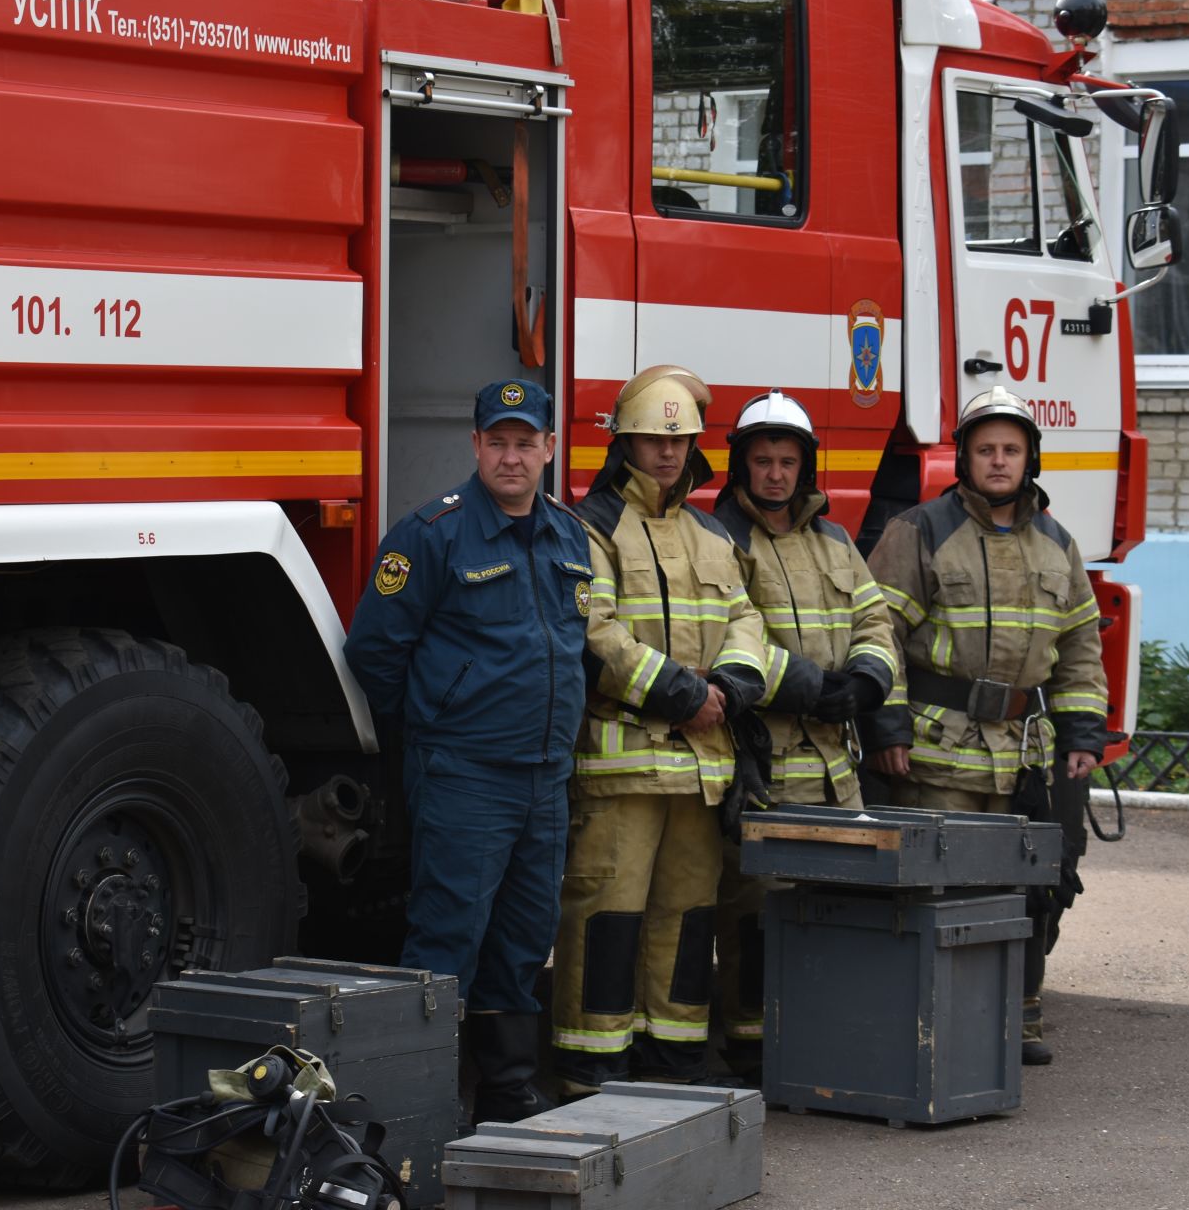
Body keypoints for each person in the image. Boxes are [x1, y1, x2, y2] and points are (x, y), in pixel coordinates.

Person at [343, 378, 592, 1124]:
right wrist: (436, 727)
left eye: (526, 442)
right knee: (448, 936)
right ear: (475, 446)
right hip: (465, 775)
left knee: (522, 939)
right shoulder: (430, 534)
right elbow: (375, 652)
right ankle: (423, 1101)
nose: (511, 457)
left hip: (544, 777)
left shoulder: (569, 535)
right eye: (498, 442)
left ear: (549, 449)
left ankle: (510, 1092)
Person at [863, 385, 1109, 1066]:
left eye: (1010, 449)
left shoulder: (1058, 545)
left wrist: (1083, 734)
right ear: (964, 458)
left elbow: (1081, 651)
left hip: (1027, 756)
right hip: (940, 753)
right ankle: (939, 1027)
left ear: (1030, 457)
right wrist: (887, 729)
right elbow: (877, 634)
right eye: (984, 450)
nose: (998, 462)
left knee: (1036, 887)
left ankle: (1018, 1018)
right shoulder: (920, 531)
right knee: (943, 890)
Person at [550, 364, 768, 1095]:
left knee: (689, 919)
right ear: (625, 444)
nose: (667, 455)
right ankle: (592, 1066)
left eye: (679, 442)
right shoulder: (592, 526)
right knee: (607, 917)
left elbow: (747, 620)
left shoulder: (711, 535)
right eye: (652, 441)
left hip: (702, 769)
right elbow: (595, 631)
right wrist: (683, 695)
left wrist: (731, 689)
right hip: (623, 769)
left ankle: (674, 1064)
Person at [709, 390, 898, 1076]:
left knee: (840, 905)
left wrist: (868, 682)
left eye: (788, 461)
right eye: (762, 461)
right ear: (741, 466)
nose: (776, 475)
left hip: (833, 772)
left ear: (806, 467)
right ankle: (752, 1043)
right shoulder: (718, 539)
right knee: (754, 914)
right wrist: (818, 690)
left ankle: (826, 1036)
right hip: (763, 765)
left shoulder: (836, 542)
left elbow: (876, 623)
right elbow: (726, 635)